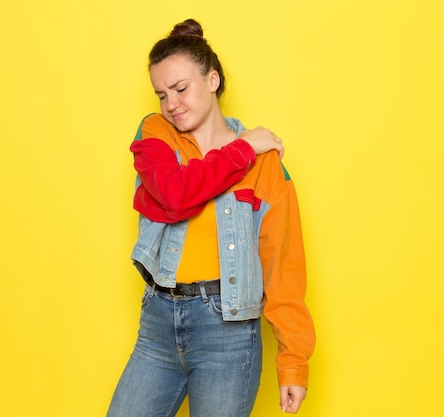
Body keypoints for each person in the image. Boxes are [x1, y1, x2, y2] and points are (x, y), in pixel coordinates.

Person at [107, 19, 315, 417]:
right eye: (162, 94)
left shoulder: (266, 166)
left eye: (181, 89)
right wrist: (242, 149)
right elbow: (173, 195)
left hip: (229, 334)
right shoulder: (156, 134)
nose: (171, 104)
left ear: (213, 80)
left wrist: (293, 361)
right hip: (158, 327)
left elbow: (283, 265)